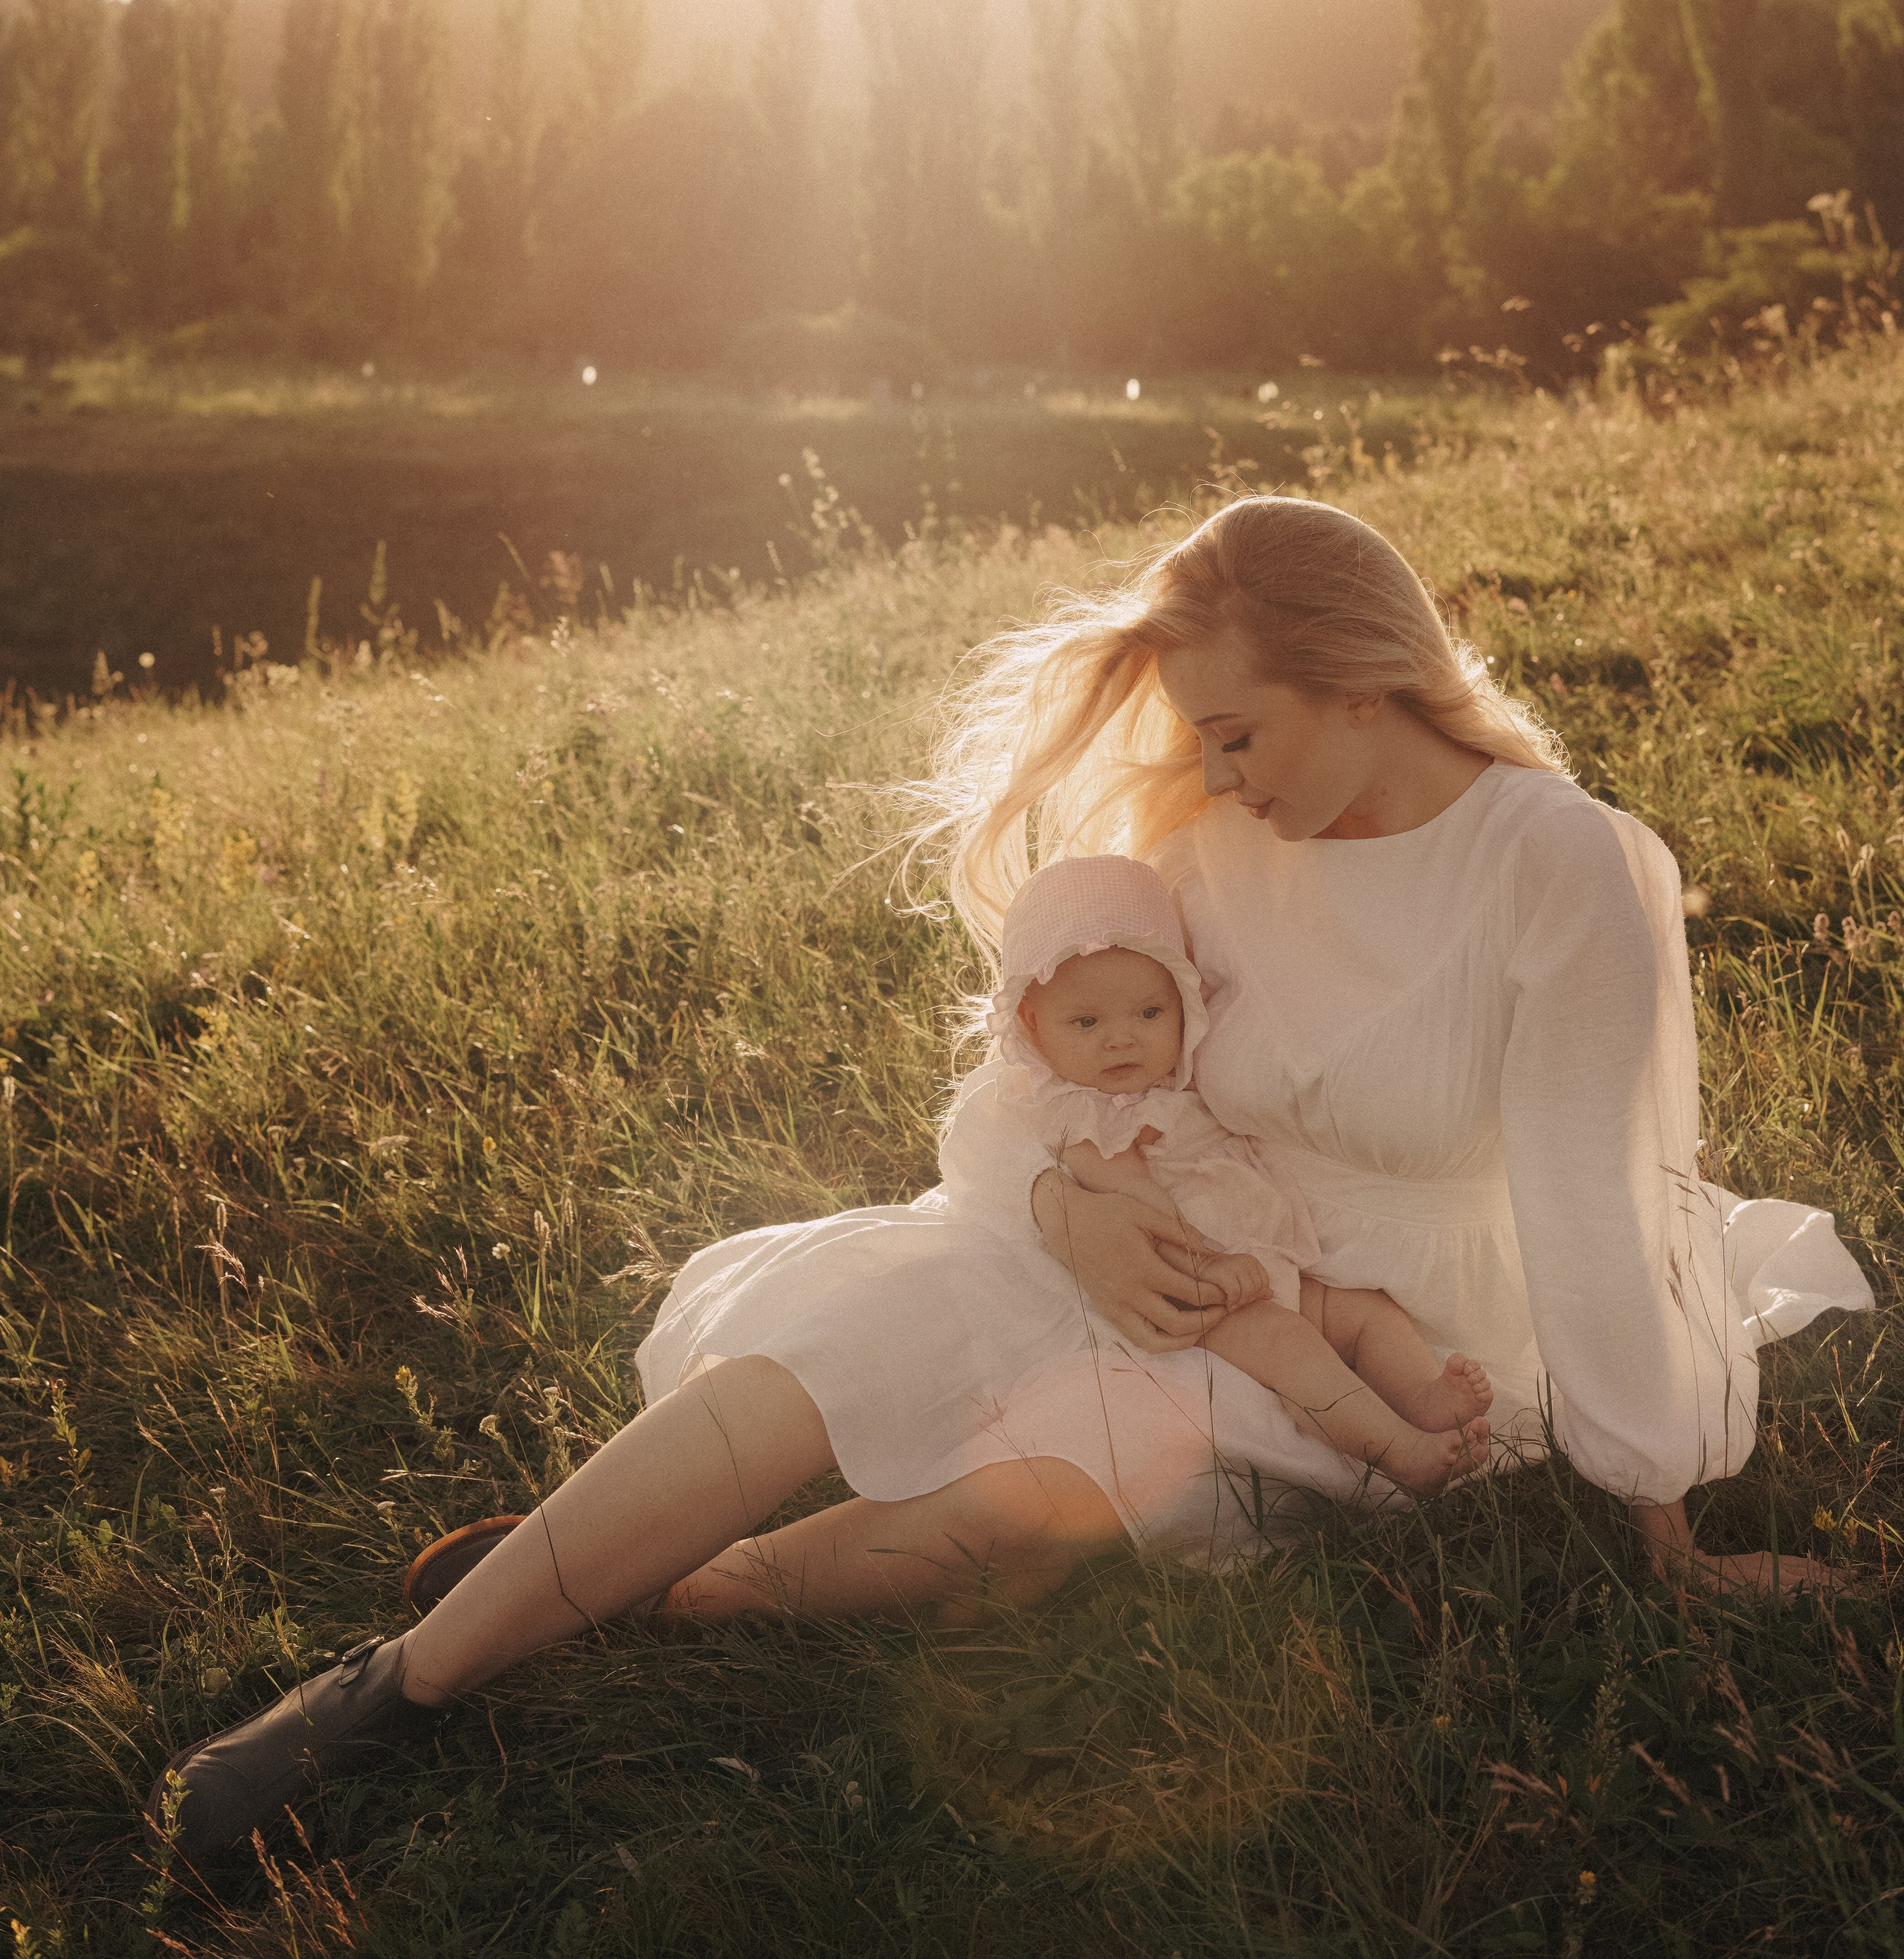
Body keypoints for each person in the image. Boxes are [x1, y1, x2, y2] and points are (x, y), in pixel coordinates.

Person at [148, 495, 1874, 1859]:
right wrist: (1065, 1211)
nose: (1205, 776)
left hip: (1375, 1327)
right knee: (838, 1341)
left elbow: (1594, 1194)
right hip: (1149, 1214)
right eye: (1198, 740)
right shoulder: (1213, 843)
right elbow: (1034, 1077)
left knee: (1019, 1508)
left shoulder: (1556, 864)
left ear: (1359, 679)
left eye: (1235, 731)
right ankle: (398, 1684)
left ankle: (650, 1594)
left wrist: (1658, 1533)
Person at [943, 852, 1494, 1496]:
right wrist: (1211, 1267)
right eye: (1086, 1022)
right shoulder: (1082, 1115)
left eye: (1149, 1014)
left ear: (1184, 1004)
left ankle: (1421, 1395)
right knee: (1292, 1348)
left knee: (1367, 1312)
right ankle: (1399, 1451)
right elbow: (1142, 1210)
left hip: (1260, 1269)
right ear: (1033, 1027)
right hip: (1192, 1293)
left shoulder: (1177, 1086)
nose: (1121, 1039)